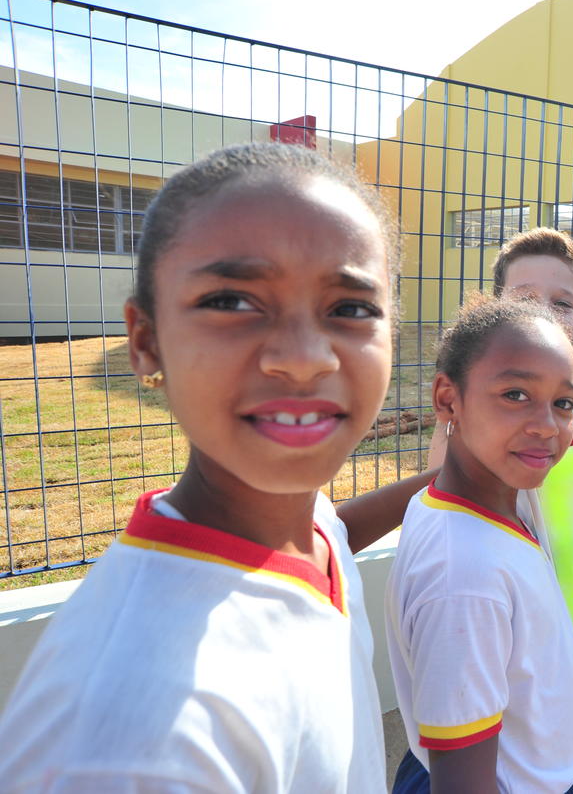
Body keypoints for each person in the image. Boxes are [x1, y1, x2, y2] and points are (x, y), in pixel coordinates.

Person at [0, 143, 396, 789]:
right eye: (233, 301)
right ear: (146, 341)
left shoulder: (299, 523)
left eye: (351, 309)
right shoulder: (137, 745)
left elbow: (335, 537)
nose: (302, 357)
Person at [386, 297, 573, 794]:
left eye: (564, 403)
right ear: (447, 399)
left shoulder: (492, 502)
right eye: (516, 394)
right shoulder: (468, 576)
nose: (547, 425)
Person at [427, 228, 573, 469]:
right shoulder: (475, 392)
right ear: (497, 309)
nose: (544, 314)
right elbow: (439, 477)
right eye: (524, 300)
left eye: (563, 304)